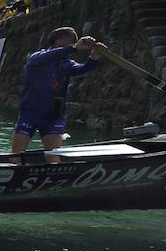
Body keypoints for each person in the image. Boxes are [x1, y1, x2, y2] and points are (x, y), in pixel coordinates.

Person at [10, 28, 106, 161]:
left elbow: (82, 68)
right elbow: (52, 56)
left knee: (54, 158)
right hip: (29, 114)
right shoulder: (37, 58)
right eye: (72, 41)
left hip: (53, 116)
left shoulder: (66, 64)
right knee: (16, 156)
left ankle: (54, 177)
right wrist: (74, 48)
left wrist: (94, 57)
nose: (74, 43)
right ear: (58, 41)